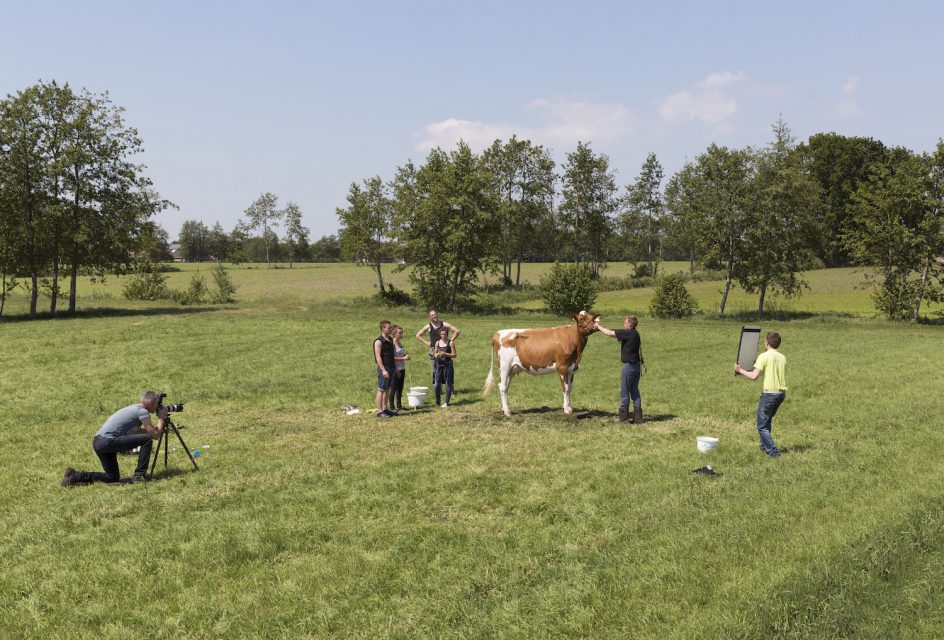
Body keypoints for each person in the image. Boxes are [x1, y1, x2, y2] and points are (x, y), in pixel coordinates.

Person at [62, 390, 169, 486]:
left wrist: (158, 429)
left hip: (99, 441)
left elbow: (137, 432)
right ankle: (139, 476)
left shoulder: (134, 409)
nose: (157, 407)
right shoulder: (142, 412)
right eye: (156, 405)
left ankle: (76, 476)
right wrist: (161, 417)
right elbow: (154, 436)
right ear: (150, 403)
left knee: (112, 478)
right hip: (108, 441)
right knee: (147, 439)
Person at [735, 331, 787, 458]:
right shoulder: (782, 357)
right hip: (781, 394)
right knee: (767, 420)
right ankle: (764, 447)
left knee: (762, 426)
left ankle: (773, 452)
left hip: (770, 394)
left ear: (767, 342)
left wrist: (739, 370)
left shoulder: (764, 356)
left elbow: (754, 376)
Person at [594, 315, 644, 424]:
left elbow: (610, 333)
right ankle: (638, 418)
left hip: (629, 367)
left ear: (630, 324)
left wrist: (598, 326)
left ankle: (623, 418)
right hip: (636, 366)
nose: (623, 324)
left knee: (624, 391)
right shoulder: (636, 333)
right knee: (635, 391)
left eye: (625, 322)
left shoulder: (628, 333)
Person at [373, 320, 397, 419]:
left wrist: (395, 368)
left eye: (391, 328)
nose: (391, 329)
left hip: (391, 367)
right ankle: (379, 411)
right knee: (381, 389)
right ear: (383, 328)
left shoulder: (390, 339)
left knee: (387, 389)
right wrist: (383, 370)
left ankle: (385, 409)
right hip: (384, 367)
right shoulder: (379, 341)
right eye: (389, 328)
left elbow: (392, 355)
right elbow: (378, 357)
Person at [432, 326, 456, 408]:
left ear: (447, 334)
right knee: (437, 383)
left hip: (448, 365)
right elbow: (435, 354)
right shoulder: (437, 343)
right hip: (439, 365)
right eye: (442, 334)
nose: (443, 336)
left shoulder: (451, 343)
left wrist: (445, 354)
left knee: (448, 383)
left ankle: (447, 402)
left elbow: (454, 355)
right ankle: (437, 402)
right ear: (440, 334)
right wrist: (436, 355)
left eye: (445, 334)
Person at [388, 325, 411, 414]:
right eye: (400, 333)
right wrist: (403, 358)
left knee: (400, 388)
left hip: (402, 368)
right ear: (394, 334)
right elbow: (391, 358)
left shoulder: (399, 343)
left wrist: (405, 355)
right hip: (395, 369)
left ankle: (399, 405)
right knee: (393, 388)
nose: (401, 334)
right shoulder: (393, 344)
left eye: (402, 333)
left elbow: (400, 354)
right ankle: (392, 407)